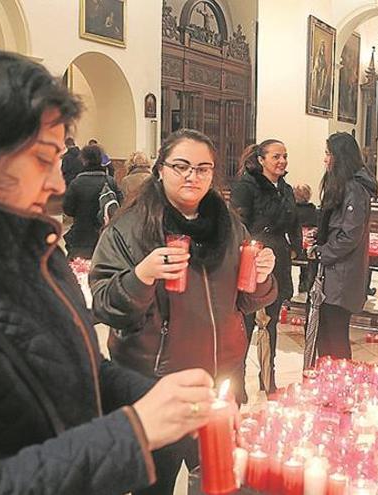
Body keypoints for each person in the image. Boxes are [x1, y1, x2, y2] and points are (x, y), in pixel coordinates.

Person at [0, 46, 216, 495]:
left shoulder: (33, 247)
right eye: (42, 158)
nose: (58, 184)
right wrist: (133, 432)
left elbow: (79, 369)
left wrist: (154, 395)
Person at [89, 129, 277, 493]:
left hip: (220, 384)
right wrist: (142, 276)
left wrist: (262, 277)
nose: (193, 176)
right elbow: (105, 305)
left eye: (203, 169)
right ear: (160, 169)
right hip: (156, 383)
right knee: (152, 485)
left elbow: (245, 301)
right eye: (182, 166)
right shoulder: (129, 230)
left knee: (218, 481)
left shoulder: (229, 226)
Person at [230, 139, 301, 396]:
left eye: (284, 156)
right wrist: (249, 253)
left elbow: (294, 224)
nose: (282, 161)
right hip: (252, 259)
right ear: (261, 159)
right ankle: (238, 382)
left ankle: (268, 380)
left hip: (278, 259)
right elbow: (237, 223)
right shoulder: (246, 186)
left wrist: (295, 248)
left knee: (270, 323)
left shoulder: (286, 188)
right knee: (246, 322)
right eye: (276, 156)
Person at [309, 132, 378, 359]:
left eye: (329, 154)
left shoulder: (354, 190)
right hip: (335, 273)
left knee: (335, 338)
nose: (325, 159)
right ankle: (326, 383)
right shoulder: (344, 186)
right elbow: (339, 226)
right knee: (325, 336)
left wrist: (322, 252)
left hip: (341, 276)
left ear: (341, 157)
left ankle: (338, 386)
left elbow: (350, 235)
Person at [63, 144, 122, 259]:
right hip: (104, 238)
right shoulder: (110, 182)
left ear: (84, 160)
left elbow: (68, 209)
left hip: (81, 237)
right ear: (101, 159)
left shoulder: (76, 183)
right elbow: (120, 205)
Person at [294, 183, 320, 295]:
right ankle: (307, 285)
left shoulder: (292, 211)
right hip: (310, 250)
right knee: (311, 263)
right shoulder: (314, 211)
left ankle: (302, 283)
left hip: (295, 249)